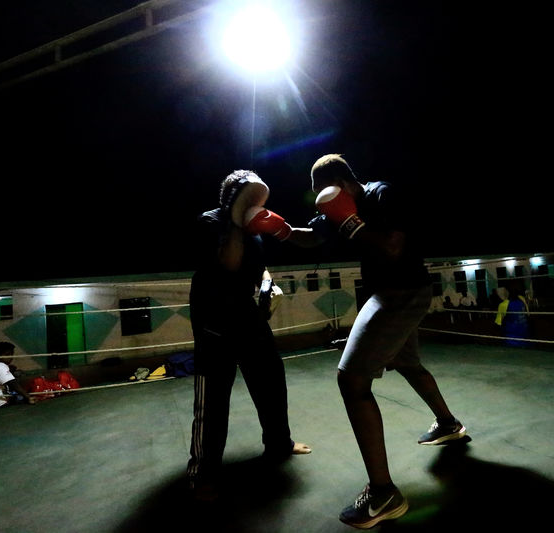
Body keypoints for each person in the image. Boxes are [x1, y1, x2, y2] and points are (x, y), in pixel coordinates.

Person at [267, 154, 467, 529]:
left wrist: (352, 221)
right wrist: (279, 228)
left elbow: (392, 247)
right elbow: (312, 237)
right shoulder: (338, 208)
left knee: (352, 380)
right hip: (388, 293)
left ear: (340, 183)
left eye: (323, 195)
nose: (321, 204)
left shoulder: (381, 195)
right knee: (408, 363)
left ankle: (383, 493)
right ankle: (448, 423)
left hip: (401, 292)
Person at [187, 170, 311, 502]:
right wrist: (236, 218)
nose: (256, 206)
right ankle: (203, 471)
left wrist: (269, 283)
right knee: (213, 399)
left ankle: (278, 443)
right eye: (248, 198)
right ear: (232, 198)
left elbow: (259, 267)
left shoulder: (255, 231)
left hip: (247, 316)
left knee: (271, 380)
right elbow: (228, 263)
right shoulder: (211, 223)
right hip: (213, 321)